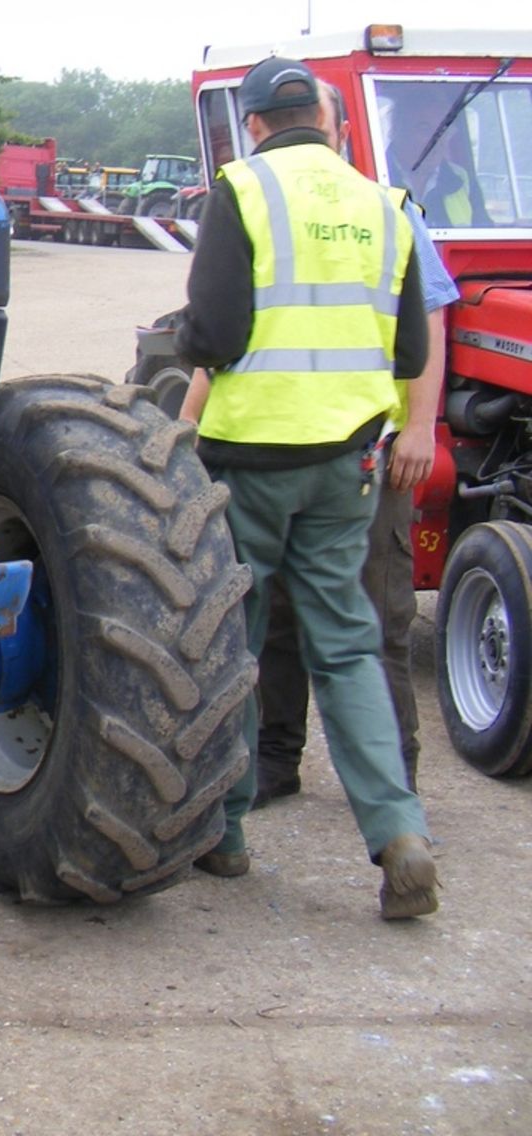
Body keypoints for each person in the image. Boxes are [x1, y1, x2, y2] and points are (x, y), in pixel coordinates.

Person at [175, 55, 439, 919]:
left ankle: (231, 833)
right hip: (346, 464)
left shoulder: (243, 191)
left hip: (250, 458)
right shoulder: (385, 205)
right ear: (328, 121)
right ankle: (401, 836)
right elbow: (407, 355)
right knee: (349, 645)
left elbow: (212, 334)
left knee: (235, 646)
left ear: (251, 124)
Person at [383, 87, 490, 227]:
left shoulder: (461, 178)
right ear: (398, 130)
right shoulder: (375, 176)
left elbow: (483, 233)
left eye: (443, 130)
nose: (437, 141)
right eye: (425, 129)